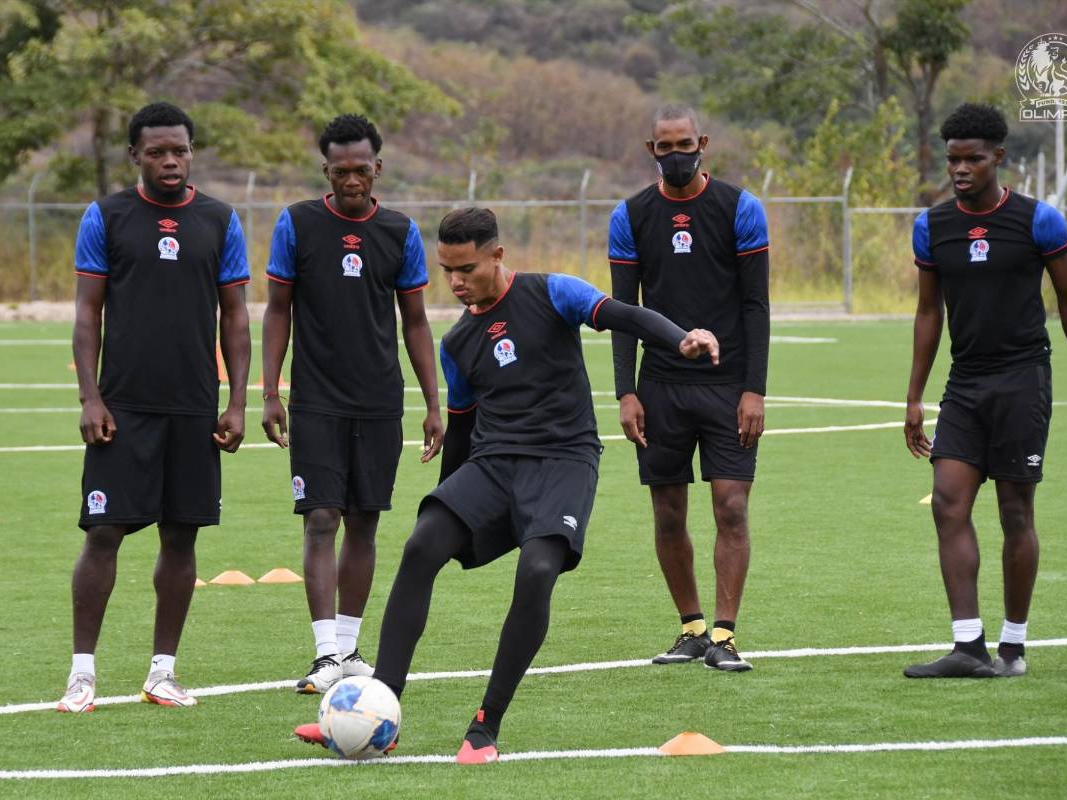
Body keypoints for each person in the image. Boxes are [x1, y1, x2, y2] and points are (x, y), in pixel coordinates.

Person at [367, 207, 720, 763]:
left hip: (564, 460)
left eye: (467, 268)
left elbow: (623, 313)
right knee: (420, 543)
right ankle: (376, 710)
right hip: (493, 463)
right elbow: (461, 433)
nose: (456, 283)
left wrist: (681, 340)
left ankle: (486, 724)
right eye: (447, 270)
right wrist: (447, 506)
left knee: (536, 571)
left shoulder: (553, 292)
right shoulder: (457, 344)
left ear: (498, 255)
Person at [58, 102, 251, 712]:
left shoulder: (220, 219)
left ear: (191, 153)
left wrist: (237, 401)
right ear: (135, 155)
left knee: (182, 534)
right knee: (105, 531)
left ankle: (162, 672)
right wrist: (91, 396)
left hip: (194, 406)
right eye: (158, 151)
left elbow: (236, 317)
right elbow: (88, 312)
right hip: (124, 407)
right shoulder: (108, 216)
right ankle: (81, 674)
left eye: (181, 151)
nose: (171, 161)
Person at [903, 103, 1067, 679]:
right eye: (952, 159)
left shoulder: (1039, 221)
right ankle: (968, 646)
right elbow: (927, 314)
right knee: (948, 501)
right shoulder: (932, 226)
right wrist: (914, 397)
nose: (960, 169)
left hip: (1023, 380)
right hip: (965, 382)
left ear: (998, 158)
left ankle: (1013, 646)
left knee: (1015, 509)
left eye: (972, 159)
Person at [262, 113, 443, 695]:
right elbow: (277, 311)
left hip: (379, 401)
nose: (351, 179)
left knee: (365, 522)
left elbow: (414, 322)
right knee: (321, 519)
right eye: (340, 170)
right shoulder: (297, 224)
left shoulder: (400, 232)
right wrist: (271, 391)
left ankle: (349, 648)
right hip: (316, 400)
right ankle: (323, 655)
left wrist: (433, 404)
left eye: (361, 169)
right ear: (326, 171)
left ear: (377, 169)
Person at [608, 104, 769, 671]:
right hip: (661, 388)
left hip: (728, 388)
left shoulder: (740, 208)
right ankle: (693, 628)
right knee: (669, 514)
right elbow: (625, 312)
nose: (675, 154)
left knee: (731, 507)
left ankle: (725, 636)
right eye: (664, 146)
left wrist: (755, 390)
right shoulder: (629, 216)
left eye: (684, 144)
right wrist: (626, 392)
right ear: (651, 150)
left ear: (702, 142)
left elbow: (756, 305)